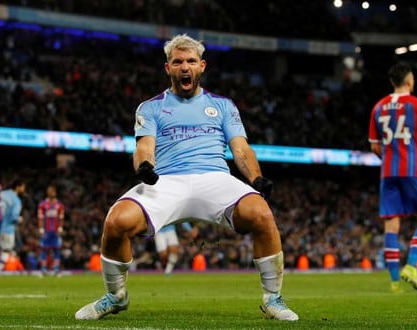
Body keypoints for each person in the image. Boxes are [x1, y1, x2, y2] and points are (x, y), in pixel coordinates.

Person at [75, 34, 298, 322]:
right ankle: (116, 296)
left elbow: (241, 149)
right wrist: (144, 166)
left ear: (202, 66)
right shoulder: (150, 107)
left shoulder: (223, 106)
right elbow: (144, 146)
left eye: (191, 61)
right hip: (166, 180)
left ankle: (273, 299)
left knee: (261, 214)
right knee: (117, 221)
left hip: (215, 177)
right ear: (167, 68)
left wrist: (256, 179)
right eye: (177, 61)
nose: (185, 67)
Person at [368, 62, 417, 293]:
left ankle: (394, 283)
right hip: (414, 169)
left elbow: (374, 147)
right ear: (409, 80)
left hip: (388, 172)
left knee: (391, 224)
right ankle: (411, 267)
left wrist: (391, 158)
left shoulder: (378, 107)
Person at [0, 179, 27, 273]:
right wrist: (20, 219)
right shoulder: (16, 200)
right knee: (6, 250)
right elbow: (14, 217)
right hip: (7, 229)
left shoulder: (1, 194)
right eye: (22, 187)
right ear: (18, 187)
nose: (23, 189)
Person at [37, 184, 65, 276]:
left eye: (52, 191)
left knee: (57, 250)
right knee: (44, 250)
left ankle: (56, 270)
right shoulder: (42, 204)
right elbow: (40, 217)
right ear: (47, 192)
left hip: (56, 231)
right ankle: (43, 270)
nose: (51, 192)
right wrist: (41, 229)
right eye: (49, 191)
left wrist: (60, 228)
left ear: (55, 192)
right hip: (46, 230)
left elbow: (61, 217)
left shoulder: (59, 205)